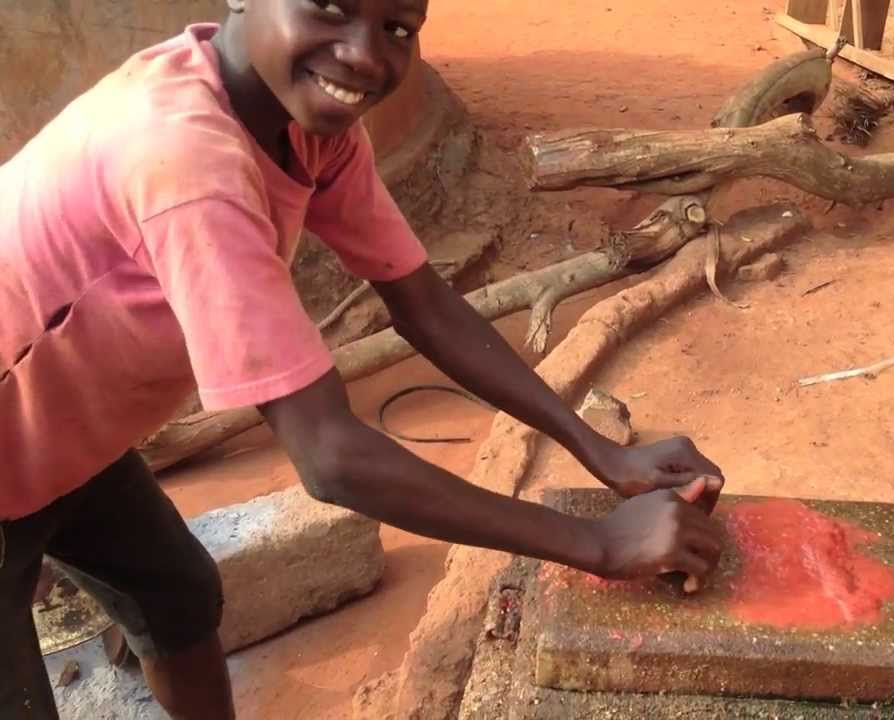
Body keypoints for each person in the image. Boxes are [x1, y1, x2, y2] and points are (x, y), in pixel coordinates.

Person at [0, 1, 726, 717]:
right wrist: (597, 544)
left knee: (176, 595)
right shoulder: (189, 164)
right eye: (330, 7)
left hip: (60, 441)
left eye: (397, 28)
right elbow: (331, 457)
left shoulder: (301, 124)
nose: (365, 55)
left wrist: (601, 451)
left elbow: (422, 302)